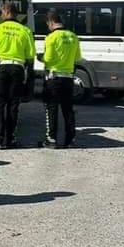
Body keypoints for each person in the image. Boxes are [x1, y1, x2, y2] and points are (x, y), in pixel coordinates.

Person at [0, 1, 36, 150]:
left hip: (1, 68)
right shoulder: (25, 30)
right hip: (18, 68)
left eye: (1, 12)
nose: (1, 15)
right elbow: (30, 54)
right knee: (14, 104)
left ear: (6, 12)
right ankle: (11, 138)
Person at [38, 9, 82, 149]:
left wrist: (41, 58)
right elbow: (77, 58)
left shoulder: (51, 37)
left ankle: (51, 139)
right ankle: (70, 140)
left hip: (54, 77)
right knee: (68, 109)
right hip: (68, 78)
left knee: (51, 108)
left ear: (50, 22)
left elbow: (49, 58)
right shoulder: (73, 36)